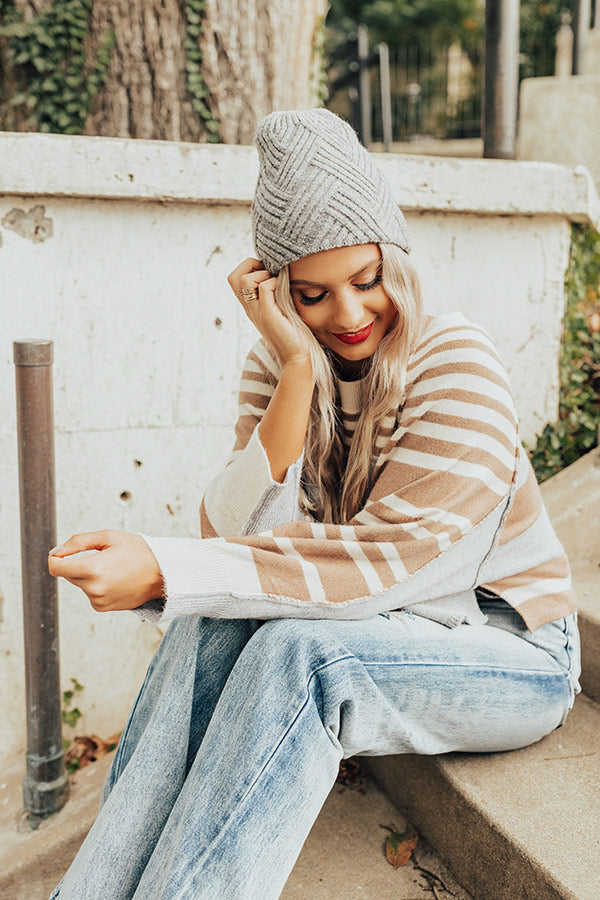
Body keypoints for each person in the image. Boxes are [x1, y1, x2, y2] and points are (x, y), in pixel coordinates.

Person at [48, 109, 581, 900]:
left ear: (397, 263)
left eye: (367, 281)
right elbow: (235, 535)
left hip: (512, 651)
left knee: (301, 654)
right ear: (279, 292)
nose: (350, 315)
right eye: (313, 295)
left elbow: (387, 565)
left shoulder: (456, 361)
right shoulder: (281, 367)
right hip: (388, 628)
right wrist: (297, 369)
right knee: (210, 620)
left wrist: (164, 567)